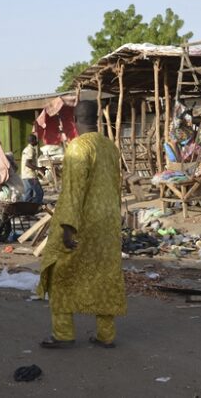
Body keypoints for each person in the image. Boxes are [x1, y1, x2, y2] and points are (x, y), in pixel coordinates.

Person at [37, 100, 126, 349]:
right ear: (96, 118)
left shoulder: (77, 148)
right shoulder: (110, 147)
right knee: (104, 275)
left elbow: (73, 192)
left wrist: (67, 226)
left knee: (59, 273)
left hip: (83, 222)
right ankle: (105, 335)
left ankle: (63, 334)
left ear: (73, 120)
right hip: (108, 223)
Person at [21, 134, 46, 203]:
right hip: (30, 176)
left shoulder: (26, 149)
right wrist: (39, 169)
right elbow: (27, 163)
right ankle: (35, 207)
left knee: (28, 195)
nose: (37, 142)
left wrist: (39, 168)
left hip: (25, 175)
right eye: (36, 140)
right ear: (33, 141)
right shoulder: (30, 150)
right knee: (39, 193)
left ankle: (25, 209)